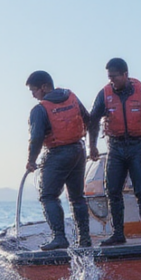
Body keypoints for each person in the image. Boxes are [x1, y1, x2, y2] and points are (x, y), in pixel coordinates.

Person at [88, 58, 141, 245]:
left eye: (114, 77)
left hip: (137, 147)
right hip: (115, 148)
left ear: (125, 75)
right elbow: (93, 121)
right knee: (112, 191)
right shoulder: (104, 96)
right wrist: (92, 145)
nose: (111, 81)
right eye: (109, 77)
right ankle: (118, 234)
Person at [25, 71, 92, 250]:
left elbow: (36, 138)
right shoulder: (71, 97)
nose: (33, 95)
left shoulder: (39, 110)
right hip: (78, 150)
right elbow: (88, 119)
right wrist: (88, 144)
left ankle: (59, 237)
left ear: (44, 87)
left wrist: (31, 160)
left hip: (57, 154)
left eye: (34, 90)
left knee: (48, 196)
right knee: (77, 197)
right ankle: (84, 238)